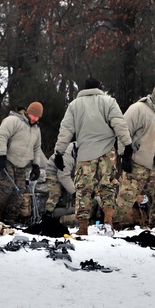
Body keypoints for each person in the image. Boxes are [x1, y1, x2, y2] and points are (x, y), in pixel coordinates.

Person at [52, 77, 132, 236]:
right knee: (108, 187)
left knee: (83, 190)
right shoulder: (109, 102)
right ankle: (108, 222)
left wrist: (59, 152)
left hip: (85, 153)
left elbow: (66, 130)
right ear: (99, 87)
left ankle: (82, 228)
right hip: (107, 152)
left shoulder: (74, 105)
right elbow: (119, 124)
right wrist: (127, 145)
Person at [114, 81, 155, 231]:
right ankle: (112, 224)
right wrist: (124, 155)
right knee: (125, 199)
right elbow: (123, 131)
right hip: (137, 163)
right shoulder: (138, 109)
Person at [0, 101, 44, 223]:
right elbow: (1, 136)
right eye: (33, 115)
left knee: (19, 191)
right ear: (28, 112)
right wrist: (1, 155)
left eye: (37, 117)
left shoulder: (36, 129)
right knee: (6, 186)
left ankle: (10, 218)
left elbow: (37, 148)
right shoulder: (13, 120)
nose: (35, 119)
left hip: (22, 165)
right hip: (8, 159)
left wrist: (36, 165)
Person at [44, 142, 77, 218]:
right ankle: (48, 214)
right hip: (54, 172)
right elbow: (63, 176)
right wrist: (74, 192)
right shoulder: (68, 154)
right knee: (55, 193)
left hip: (70, 173)